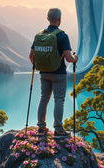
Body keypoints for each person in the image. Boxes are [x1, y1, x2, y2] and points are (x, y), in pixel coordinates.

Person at [29, 8, 78, 136]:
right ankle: (58, 129)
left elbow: (31, 56)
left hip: (43, 73)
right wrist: (75, 59)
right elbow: (68, 58)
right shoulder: (62, 36)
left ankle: (41, 128)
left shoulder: (40, 35)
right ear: (59, 20)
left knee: (44, 99)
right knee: (59, 100)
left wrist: (40, 65)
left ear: (48, 19)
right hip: (59, 73)